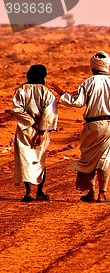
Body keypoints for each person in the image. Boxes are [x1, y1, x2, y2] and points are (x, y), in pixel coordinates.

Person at [51, 51, 110, 203]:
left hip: (92, 126)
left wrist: (62, 93)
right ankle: (102, 194)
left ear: (93, 67)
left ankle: (91, 192)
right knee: (105, 159)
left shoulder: (88, 82)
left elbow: (77, 102)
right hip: (109, 126)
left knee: (88, 159)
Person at [12, 64, 58, 202]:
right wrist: (41, 130)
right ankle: (39, 191)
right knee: (40, 160)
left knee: (25, 160)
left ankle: (29, 192)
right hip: (41, 131)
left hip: (24, 129)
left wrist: (31, 123)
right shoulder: (48, 93)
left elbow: (17, 111)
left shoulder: (20, 91)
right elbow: (50, 113)